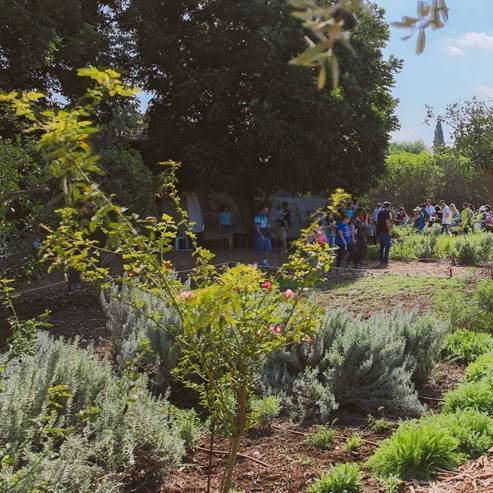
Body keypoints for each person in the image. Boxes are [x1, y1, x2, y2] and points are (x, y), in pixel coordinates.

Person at [377, 201, 392, 267]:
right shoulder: (386, 213)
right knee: (387, 246)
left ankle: (381, 260)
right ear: (388, 207)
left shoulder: (380, 212)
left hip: (380, 231)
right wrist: (389, 231)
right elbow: (387, 222)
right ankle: (385, 261)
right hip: (385, 232)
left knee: (381, 247)